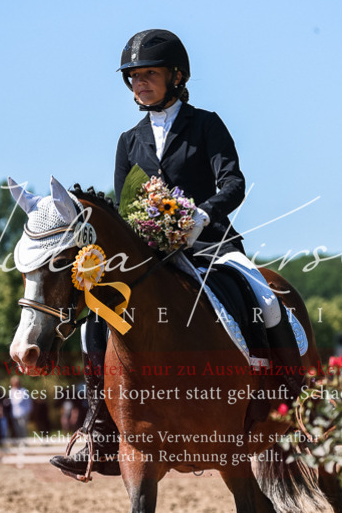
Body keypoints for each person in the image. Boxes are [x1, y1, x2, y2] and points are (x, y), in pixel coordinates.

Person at [52, 28, 304, 481]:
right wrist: (145, 231)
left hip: (211, 243)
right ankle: (98, 426)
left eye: (148, 74)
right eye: (132, 76)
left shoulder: (206, 124)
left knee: (265, 300)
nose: (139, 83)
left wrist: (200, 218)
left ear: (177, 76)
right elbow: (124, 202)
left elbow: (233, 183)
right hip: (150, 255)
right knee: (96, 318)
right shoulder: (129, 140)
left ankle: (288, 401)